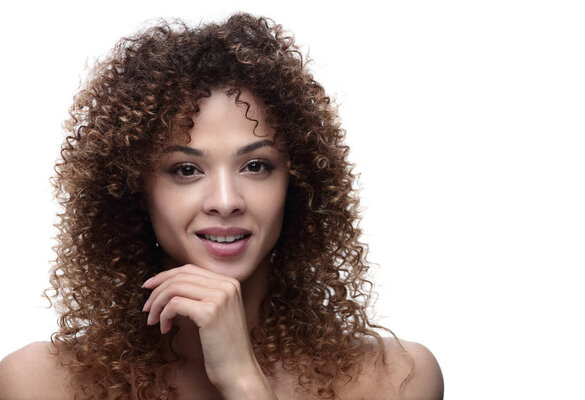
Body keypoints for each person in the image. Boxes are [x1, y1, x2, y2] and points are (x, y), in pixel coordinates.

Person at [0, 13, 443, 400]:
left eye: (255, 165)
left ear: (298, 182)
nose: (227, 201)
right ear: (132, 189)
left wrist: (243, 380)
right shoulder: (41, 384)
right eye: (186, 171)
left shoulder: (396, 381)